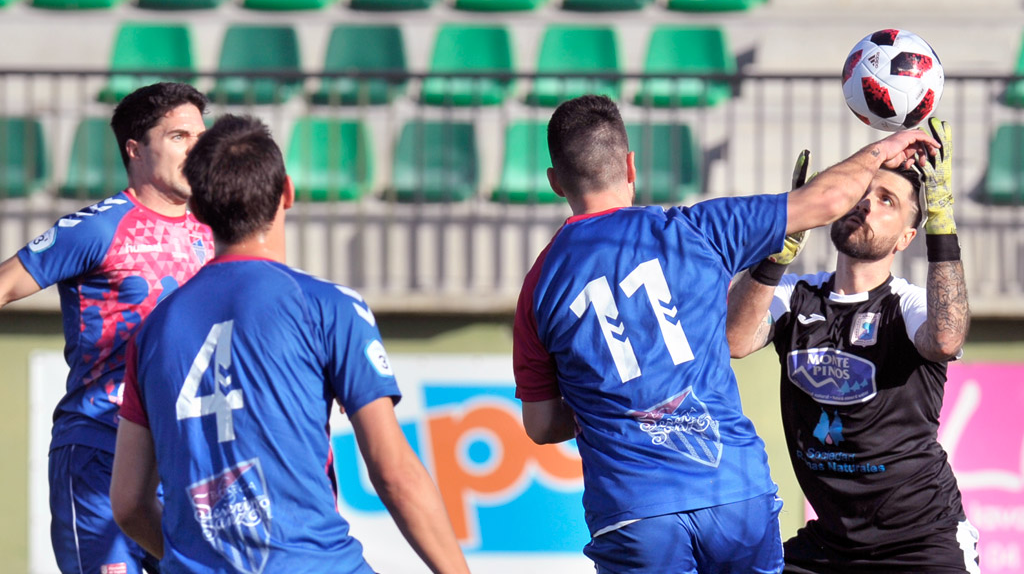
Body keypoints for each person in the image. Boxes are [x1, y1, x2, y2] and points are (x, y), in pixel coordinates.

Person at [512, 94, 939, 574]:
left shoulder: (539, 286)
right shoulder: (695, 229)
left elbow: (542, 425)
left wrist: (604, 405)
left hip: (635, 513)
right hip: (736, 495)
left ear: (554, 182)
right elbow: (827, 201)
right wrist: (883, 149)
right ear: (630, 166)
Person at [110, 114, 471, 574]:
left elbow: (127, 503)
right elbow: (393, 471)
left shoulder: (153, 330)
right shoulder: (328, 306)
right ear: (287, 191)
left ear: (196, 210)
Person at [725, 117, 978, 573]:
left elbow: (946, 337)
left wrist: (941, 215)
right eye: (862, 191)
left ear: (906, 237)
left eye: (887, 201)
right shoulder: (796, 294)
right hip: (831, 544)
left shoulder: (907, 305)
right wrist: (777, 244)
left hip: (922, 541)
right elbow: (733, 340)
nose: (867, 203)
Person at [0, 82, 211, 574]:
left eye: (202, 137)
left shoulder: (216, 230)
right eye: (180, 136)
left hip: (183, 461)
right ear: (135, 149)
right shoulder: (97, 227)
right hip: (102, 449)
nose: (197, 150)